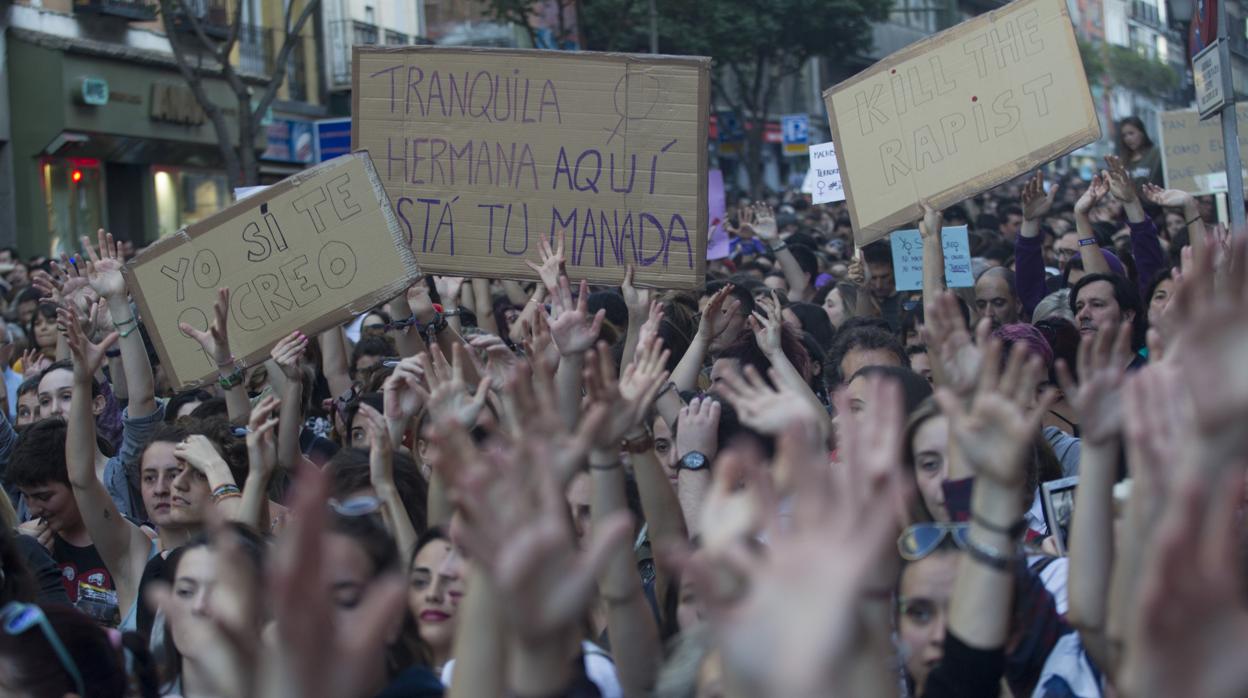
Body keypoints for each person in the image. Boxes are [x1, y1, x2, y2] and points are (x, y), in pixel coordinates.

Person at [1116, 116, 1162, 187]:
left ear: (1142, 133)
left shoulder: (1156, 155)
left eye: (1131, 133)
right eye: (1124, 135)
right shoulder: (1123, 161)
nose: (1128, 138)